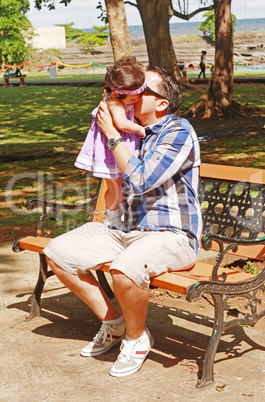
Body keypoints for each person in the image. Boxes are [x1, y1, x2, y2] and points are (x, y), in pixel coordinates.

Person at [43, 64, 202, 378]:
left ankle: (136, 337)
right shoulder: (131, 135)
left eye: (143, 89)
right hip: (126, 230)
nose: (134, 93)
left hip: (172, 235)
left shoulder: (177, 131)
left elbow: (143, 179)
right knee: (58, 252)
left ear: (161, 103)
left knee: (125, 268)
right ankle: (114, 324)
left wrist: (114, 135)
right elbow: (117, 187)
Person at [75, 57, 146, 227]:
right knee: (116, 187)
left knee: (118, 187)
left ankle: (117, 217)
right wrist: (139, 129)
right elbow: (122, 124)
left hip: (114, 148)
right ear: (116, 93)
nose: (136, 99)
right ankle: (112, 219)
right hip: (111, 152)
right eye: (133, 98)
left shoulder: (115, 97)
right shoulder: (113, 102)